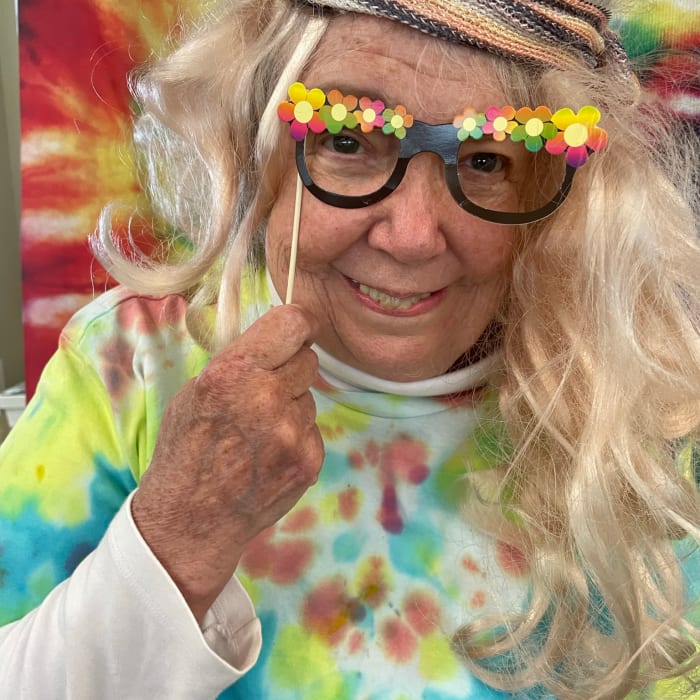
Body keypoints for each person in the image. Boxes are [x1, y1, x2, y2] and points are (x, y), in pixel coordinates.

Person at [1, 0, 699, 697]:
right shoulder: (131, 365)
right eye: (347, 139)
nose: (414, 235)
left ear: (554, 191)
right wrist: (177, 539)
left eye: (486, 157)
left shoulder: (642, 422)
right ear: (255, 147)